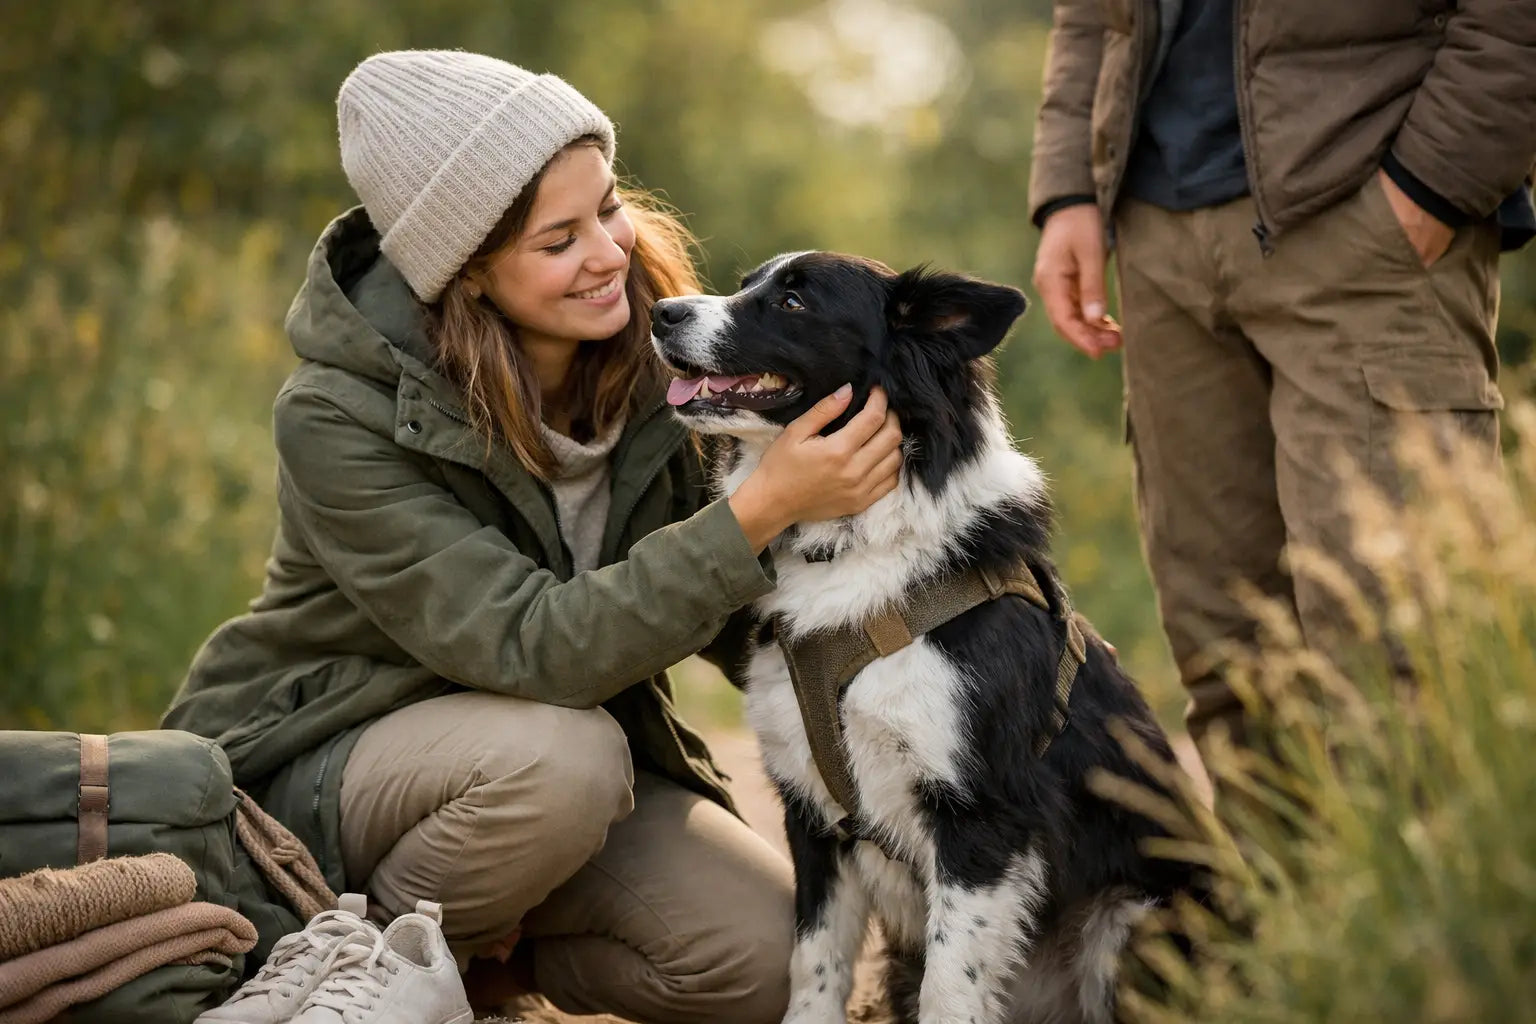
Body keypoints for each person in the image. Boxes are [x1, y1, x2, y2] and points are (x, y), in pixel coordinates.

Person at [163, 50, 904, 1024]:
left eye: (606, 206)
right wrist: (760, 508)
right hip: (336, 771)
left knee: (766, 959)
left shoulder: (659, 357)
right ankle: (342, 969)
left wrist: (942, 657)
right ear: (466, 271)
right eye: (559, 239)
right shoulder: (337, 414)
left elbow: (747, 620)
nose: (608, 253)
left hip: (545, 788)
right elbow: (535, 648)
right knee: (562, 759)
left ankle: (478, 976)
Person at [1029, 1, 1536, 756]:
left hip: (1363, 204)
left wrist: (1431, 187)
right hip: (1157, 227)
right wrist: (1069, 184)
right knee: (1229, 665)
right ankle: (1274, 880)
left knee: (1403, 660)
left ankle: (1412, 878)